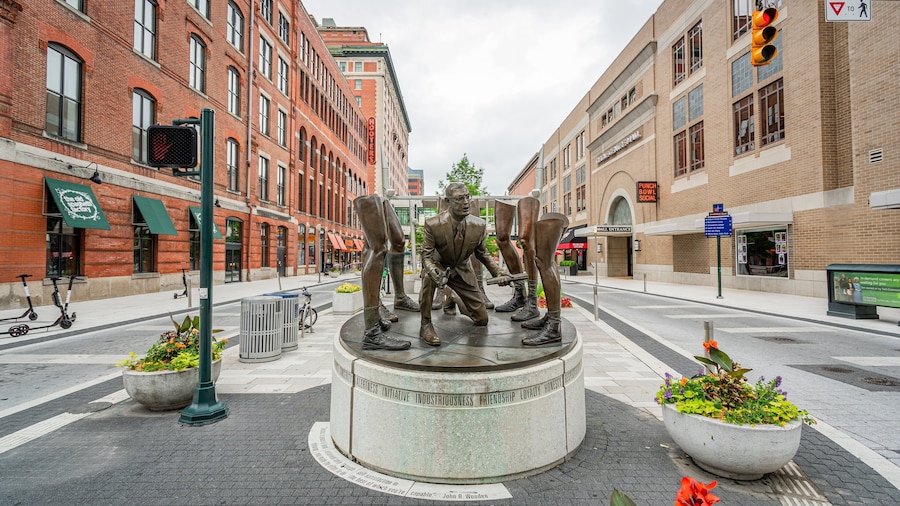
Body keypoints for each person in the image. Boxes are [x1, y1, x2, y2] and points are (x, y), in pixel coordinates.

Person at [418, 183, 510, 346]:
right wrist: (434, 271)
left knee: (482, 319)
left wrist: (497, 272)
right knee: (427, 275)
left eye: (467, 197)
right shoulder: (433, 224)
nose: (466, 202)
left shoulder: (479, 225)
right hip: (440, 269)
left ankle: (453, 296)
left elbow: (482, 254)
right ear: (448, 201)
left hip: (462, 271)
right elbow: (426, 256)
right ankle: (425, 324)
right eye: (460, 198)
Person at [354, 194, 413, 351]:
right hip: (369, 193)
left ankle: (398, 299)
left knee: (398, 240)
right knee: (377, 248)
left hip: (380, 196)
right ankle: (371, 333)